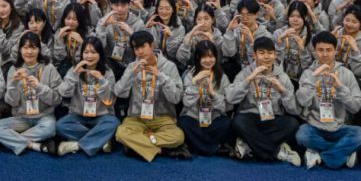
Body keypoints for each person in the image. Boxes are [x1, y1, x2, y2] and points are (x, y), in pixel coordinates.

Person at [296, 31, 361, 169]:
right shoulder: (308, 74)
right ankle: (341, 153)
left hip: (340, 127)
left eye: (329, 50)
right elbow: (303, 102)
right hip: (314, 127)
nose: (324, 54)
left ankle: (319, 153)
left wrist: (340, 88)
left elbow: (356, 107)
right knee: (301, 134)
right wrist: (313, 78)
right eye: (320, 50)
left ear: (335, 51)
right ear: (314, 51)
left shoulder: (346, 74)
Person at [114, 31, 188, 162]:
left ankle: (137, 145)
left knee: (178, 136)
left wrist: (160, 75)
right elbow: (118, 92)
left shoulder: (169, 67)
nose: (140, 52)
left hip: (162, 118)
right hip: (137, 118)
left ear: (152, 46)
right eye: (136, 48)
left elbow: (176, 98)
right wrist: (131, 74)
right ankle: (161, 150)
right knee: (120, 134)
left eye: (143, 47)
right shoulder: (132, 67)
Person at [226, 37, 301, 165]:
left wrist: (282, 90)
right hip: (250, 117)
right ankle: (276, 152)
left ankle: (250, 146)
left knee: (292, 124)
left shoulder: (282, 77)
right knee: (238, 122)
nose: (266, 57)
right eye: (262, 53)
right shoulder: (245, 73)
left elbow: (294, 110)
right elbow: (230, 98)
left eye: (270, 53)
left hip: (273, 118)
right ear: (254, 55)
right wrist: (248, 80)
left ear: (275, 55)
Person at [0, 32, 62, 155]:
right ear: (20, 50)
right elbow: (11, 102)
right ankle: (35, 145)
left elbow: (57, 99)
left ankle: (8, 141)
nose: (29, 52)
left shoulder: (49, 68)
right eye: (26, 47)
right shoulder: (14, 70)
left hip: (44, 116)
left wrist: (39, 87)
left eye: (33, 48)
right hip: (21, 117)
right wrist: (13, 84)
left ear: (39, 50)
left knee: (50, 128)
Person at [56, 36, 119, 156]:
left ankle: (76, 145)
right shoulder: (74, 69)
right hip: (78, 116)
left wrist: (102, 80)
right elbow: (63, 93)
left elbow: (109, 100)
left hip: (101, 116)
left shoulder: (108, 72)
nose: (89, 56)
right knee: (60, 126)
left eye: (93, 52)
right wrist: (74, 75)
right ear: (81, 54)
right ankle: (100, 139)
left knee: (114, 123)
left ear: (100, 54)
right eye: (86, 52)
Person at [178, 40, 234, 156]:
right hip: (194, 119)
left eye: (211, 56)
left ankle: (198, 145)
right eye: (204, 57)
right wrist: (194, 83)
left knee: (227, 123)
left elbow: (228, 107)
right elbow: (186, 103)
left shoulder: (222, 77)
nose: (208, 60)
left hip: (213, 119)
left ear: (216, 57)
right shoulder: (189, 75)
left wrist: (213, 93)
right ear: (197, 58)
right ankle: (215, 148)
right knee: (184, 123)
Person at [95, 0, 145, 76]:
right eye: (116, 5)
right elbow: (99, 47)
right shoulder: (104, 21)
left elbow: (144, 49)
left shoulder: (138, 23)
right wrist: (102, 27)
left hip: (133, 63)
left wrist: (132, 34)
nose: (120, 9)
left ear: (129, 4)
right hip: (111, 63)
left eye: (123, 5)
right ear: (111, 5)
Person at [225, 0, 273, 71]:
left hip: (257, 69)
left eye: (249, 14)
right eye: (242, 14)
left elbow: (263, 61)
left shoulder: (266, 35)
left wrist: (251, 41)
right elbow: (229, 53)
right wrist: (229, 31)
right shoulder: (237, 30)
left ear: (256, 15)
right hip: (239, 66)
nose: (245, 18)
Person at [273, 1, 314, 82]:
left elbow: (309, 67)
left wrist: (302, 50)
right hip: (280, 79)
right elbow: (274, 62)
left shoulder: (311, 37)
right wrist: (280, 42)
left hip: (302, 80)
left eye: (299, 16)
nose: (295, 20)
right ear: (288, 17)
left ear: (305, 17)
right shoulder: (278, 33)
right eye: (292, 16)